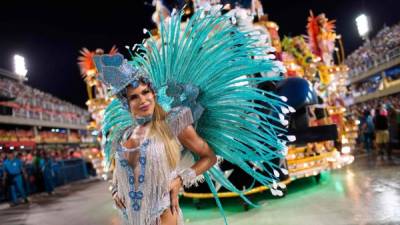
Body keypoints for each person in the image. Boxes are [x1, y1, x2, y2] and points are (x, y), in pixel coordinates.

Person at [90, 8, 289, 225]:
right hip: (131, 217)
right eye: (134, 97)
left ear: (154, 94)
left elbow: (209, 157)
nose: (143, 100)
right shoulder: (125, 133)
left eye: (146, 93)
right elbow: (123, 168)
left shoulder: (174, 121)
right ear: (126, 104)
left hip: (164, 214)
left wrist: (179, 180)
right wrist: (117, 188)